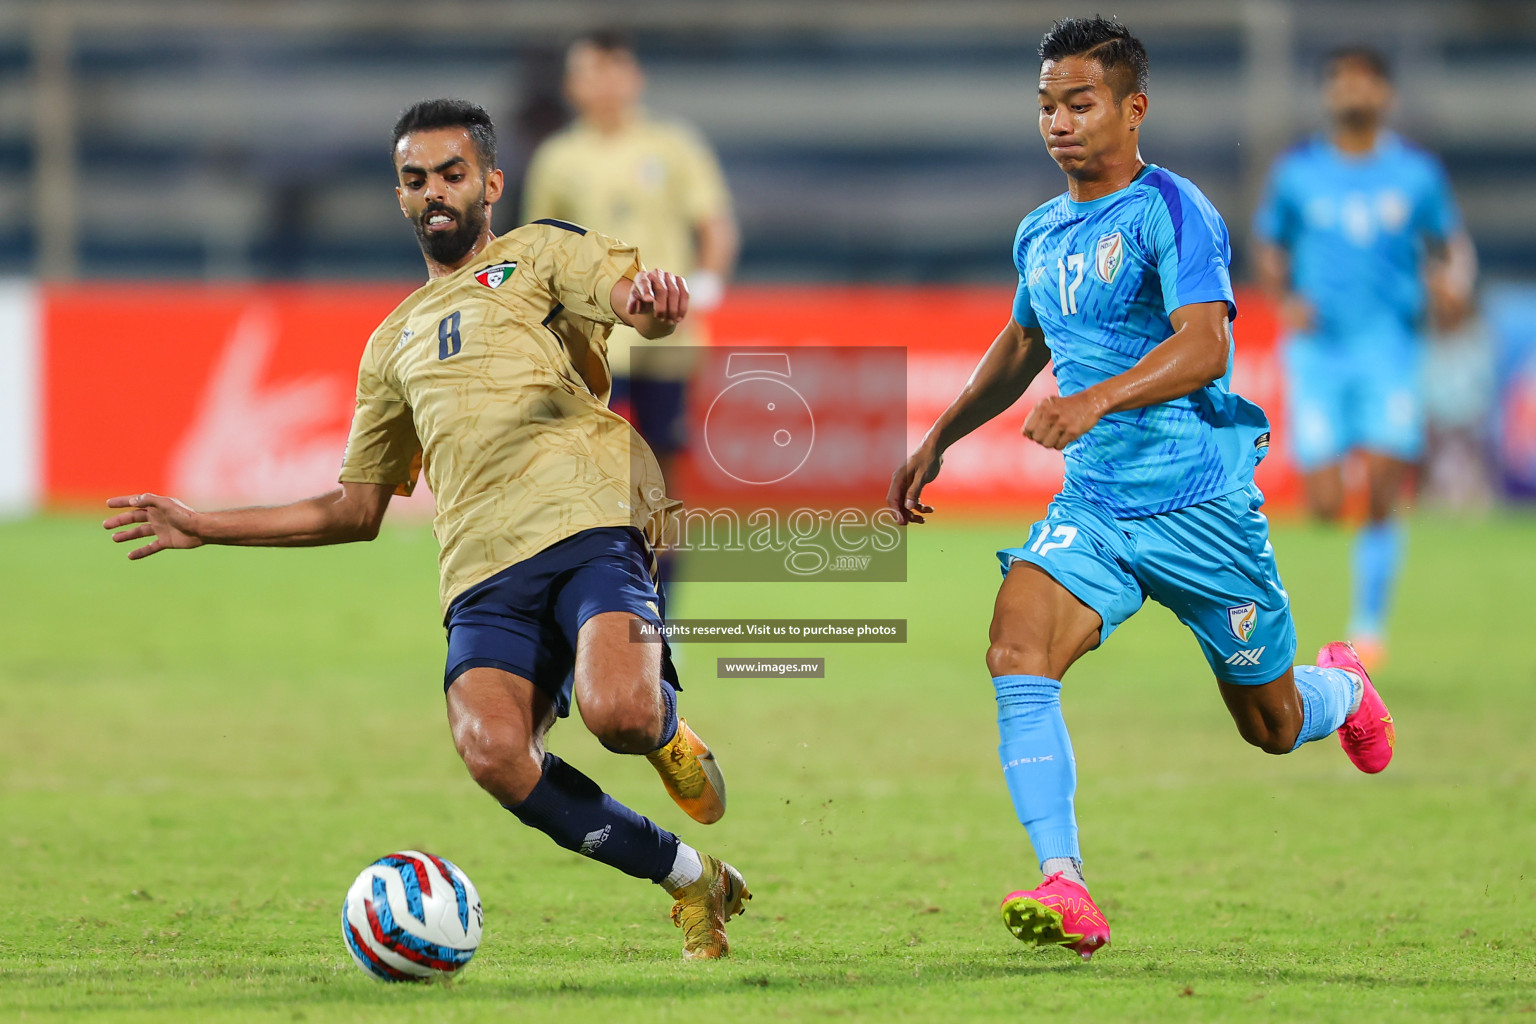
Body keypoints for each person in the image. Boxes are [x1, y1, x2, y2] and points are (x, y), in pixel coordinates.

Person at [103, 99, 749, 961]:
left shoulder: (541, 253)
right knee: (493, 752)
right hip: (481, 567)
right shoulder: (389, 343)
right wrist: (205, 524)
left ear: (490, 183)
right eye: (416, 180)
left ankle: (664, 731)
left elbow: (635, 303)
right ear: (400, 197)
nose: (434, 192)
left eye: (451, 175)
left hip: (589, 514)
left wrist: (658, 305)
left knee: (619, 714)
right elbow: (356, 508)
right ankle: (691, 880)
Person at [888, 18, 1395, 961]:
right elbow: (1023, 345)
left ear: (1133, 109)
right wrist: (940, 437)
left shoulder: (1174, 208)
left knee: (1273, 724)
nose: (1059, 123)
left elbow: (1208, 344)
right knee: (1015, 647)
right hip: (1099, 511)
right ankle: (1064, 883)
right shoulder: (1040, 231)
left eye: (1080, 104)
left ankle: (1346, 690)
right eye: (1046, 105)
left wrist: (1094, 401)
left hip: (1204, 508)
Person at [1254, 47, 1475, 666]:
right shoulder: (1298, 172)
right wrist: (1284, 297)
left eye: (1365, 82)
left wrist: (1452, 289)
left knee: (1383, 484)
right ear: (1329, 94)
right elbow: (1269, 246)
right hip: (1319, 352)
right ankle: (1344, 471)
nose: (1353, 91)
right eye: (1342, 81)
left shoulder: (1417, 174)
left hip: (1390, 349)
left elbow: (1452, 246)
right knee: (1324, 506)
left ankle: (1369, 625)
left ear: (1385, 96)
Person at [523, 28, 738, 581]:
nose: (605, 82)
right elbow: (539, 248)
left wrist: (708, 279)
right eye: (592, 70)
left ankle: (662, 620)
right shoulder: (559, 159)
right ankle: (598, 615)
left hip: (666, 339)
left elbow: (715, 225)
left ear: (634, 76)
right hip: (591, 345)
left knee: (663, 480)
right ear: (573, 85)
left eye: (614, 68)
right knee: (596, 480)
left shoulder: (672, 147)